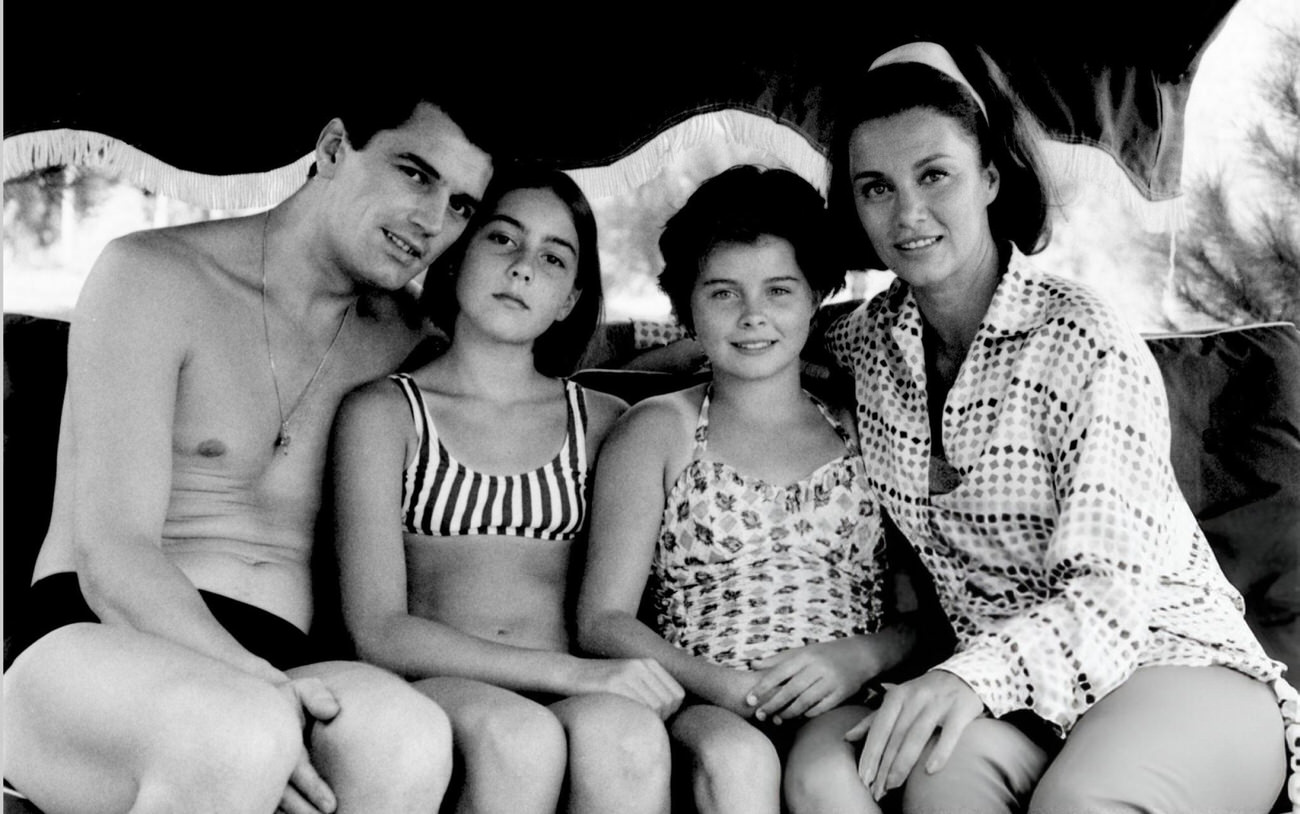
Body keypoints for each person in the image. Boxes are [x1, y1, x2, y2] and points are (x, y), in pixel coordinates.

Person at [822, 40, 1298, 812]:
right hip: (1015, 706)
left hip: (1167, 664)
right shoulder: (873, 339)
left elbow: (1108, 600)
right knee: (936, 782)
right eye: (876, 187)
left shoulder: (1084, 339)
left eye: (933, 174)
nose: (906, 213)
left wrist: (962, 675)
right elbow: (768, 330)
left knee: (1077, 806)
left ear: (989, 178)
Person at [2, 84, 496, 814]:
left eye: (460, 204)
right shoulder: (153, 275)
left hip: (284, 656)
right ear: (332, 149)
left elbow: (531, 401)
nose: (432, 220)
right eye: (415, 173)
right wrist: (256, 684)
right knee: (235, 733)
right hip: (93, 636)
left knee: (408, 736)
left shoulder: (410, 344)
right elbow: (114, 554)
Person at [576, 164, 925, 814]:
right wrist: (727, 687)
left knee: (841, 780)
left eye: (779, 290)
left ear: (818, 293)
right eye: (723, 293)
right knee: (738, 760)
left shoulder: (862, 427)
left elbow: (918, 618)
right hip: (705, 700)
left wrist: (858, 657)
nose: (753, 316)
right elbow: (602, 620)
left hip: (843, 694)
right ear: (686, 305)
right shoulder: (657, 432)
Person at [330, 165, 679, 814]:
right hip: (438, 685)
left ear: (571, 299)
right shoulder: (385, 413)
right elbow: (377, 629)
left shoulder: (603, 423)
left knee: (630, 737)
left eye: (553, 258)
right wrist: (570, 672)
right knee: (519, 736)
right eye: (502, 239)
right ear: (459, 255)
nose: (522, 267)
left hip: (578, 685)